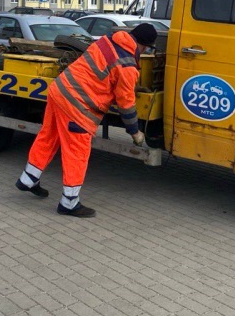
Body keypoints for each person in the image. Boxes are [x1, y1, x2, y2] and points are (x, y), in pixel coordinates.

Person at [15, 22, 158, 218]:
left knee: (49, 135)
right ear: (144, 46)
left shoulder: (107, 41)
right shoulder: (127, 65)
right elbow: (126, 102)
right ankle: (69, 203)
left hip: (60, 91)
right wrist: (135, 132)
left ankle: (28, 178)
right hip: (78, 106)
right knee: (77, 152)